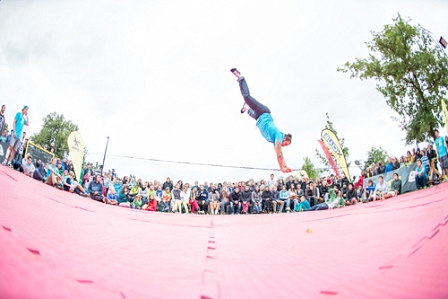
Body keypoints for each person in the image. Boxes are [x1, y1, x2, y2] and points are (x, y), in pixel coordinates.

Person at [231, 68, 292, 173]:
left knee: (249, 112)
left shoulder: (274, 140)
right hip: (263, 112)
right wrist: (282, 167)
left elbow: (280, 154)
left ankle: (246, 108)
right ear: (284, 138)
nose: (284, 146)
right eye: (285, 144)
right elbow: (279, 153)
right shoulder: (278, 135)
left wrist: (285, 166)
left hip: (258, 118)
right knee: (246, 97)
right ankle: (241, 78)